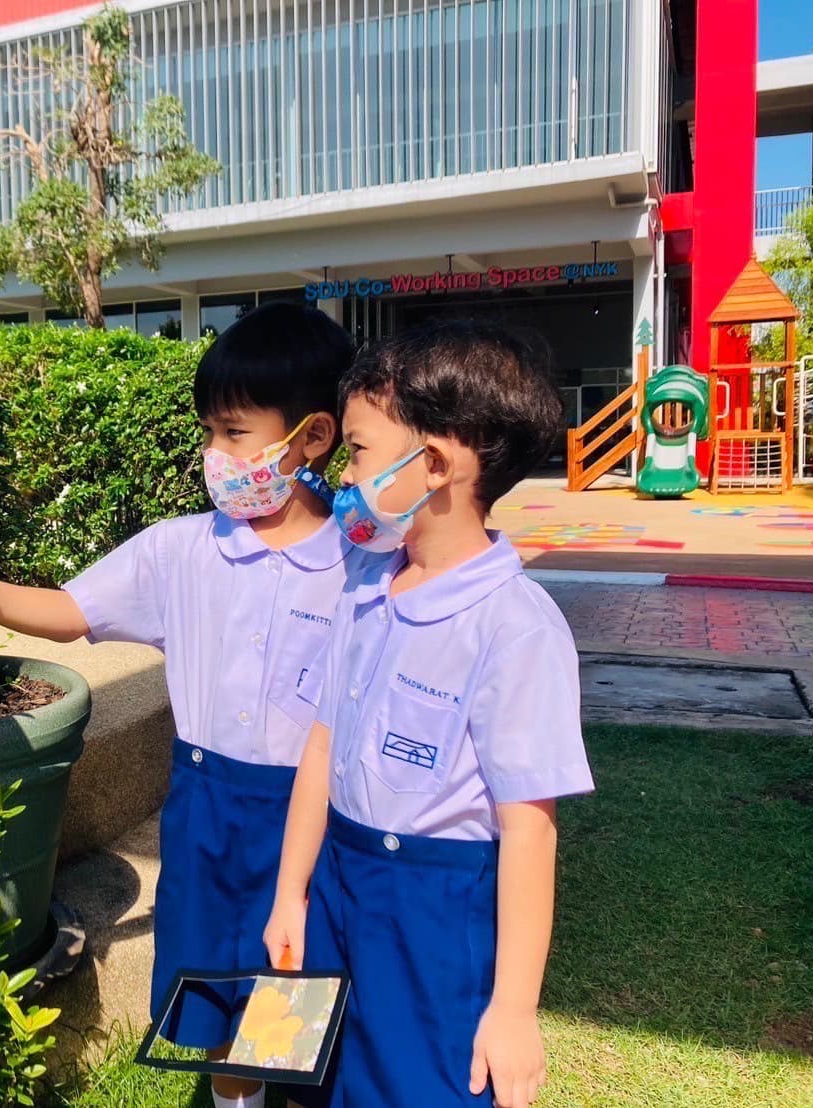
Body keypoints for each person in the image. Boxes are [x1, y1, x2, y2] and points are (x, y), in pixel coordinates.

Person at [0, 301, 358, 1108]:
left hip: (312, 815)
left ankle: (287, 1094)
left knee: (291, 985)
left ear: (313, 438)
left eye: (233, 433)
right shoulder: (180, 550)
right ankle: (232, 1098)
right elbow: (71, 610)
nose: (212, 454)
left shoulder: (359, 568)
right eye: (207, 433)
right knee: (213, 979)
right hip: (206, 812)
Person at [264, 320, 595, 1108]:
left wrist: (513, 1010)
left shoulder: (515, 627)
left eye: (357, 451)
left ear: (436, 464)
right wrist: (290, 892)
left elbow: (527, 828)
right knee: (323, 1073)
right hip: (339, 878)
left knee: (415, 1084)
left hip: (431, 909)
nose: (344, 474)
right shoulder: (366, 585)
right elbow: (321, 745)